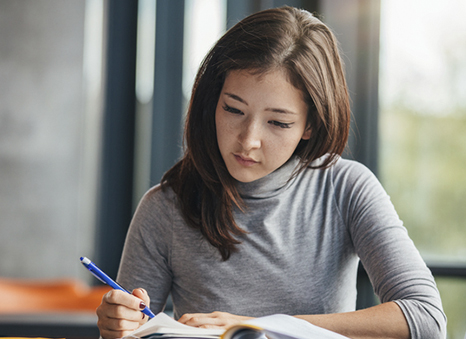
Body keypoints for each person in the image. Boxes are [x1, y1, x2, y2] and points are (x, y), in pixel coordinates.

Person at [96, 6, 446, 339]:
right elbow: (136, 330)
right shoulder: (166, 208)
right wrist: (118, 326)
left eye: (278, 122)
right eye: (234, 109)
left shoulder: (346, 189)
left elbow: (425, 318)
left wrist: (260, 326)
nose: (248, 141)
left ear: (310, 125)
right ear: (213, 100)